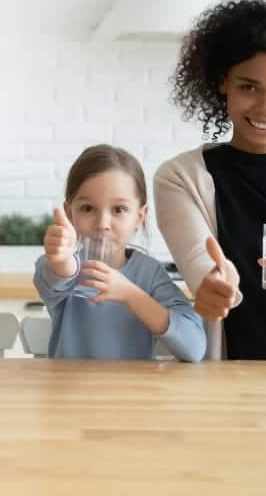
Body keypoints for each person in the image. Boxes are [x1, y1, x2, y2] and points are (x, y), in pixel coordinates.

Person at [154, 0, 266, 360]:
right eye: (248, 87)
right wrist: (214, 285)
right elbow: (199, 263)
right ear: (223, 83)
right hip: (230, 382)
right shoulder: (181, 178)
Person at [34, 144, 205, 362]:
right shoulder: (59, 266)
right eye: (88, 208)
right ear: (70, 214)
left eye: (119, 210)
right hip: (71, 393)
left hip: (131, 394)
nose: (103, 224)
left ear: (139, 217)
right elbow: (59, 275)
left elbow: (194, 347)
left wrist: (130, 294)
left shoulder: (149, 274)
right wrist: (61, 261)